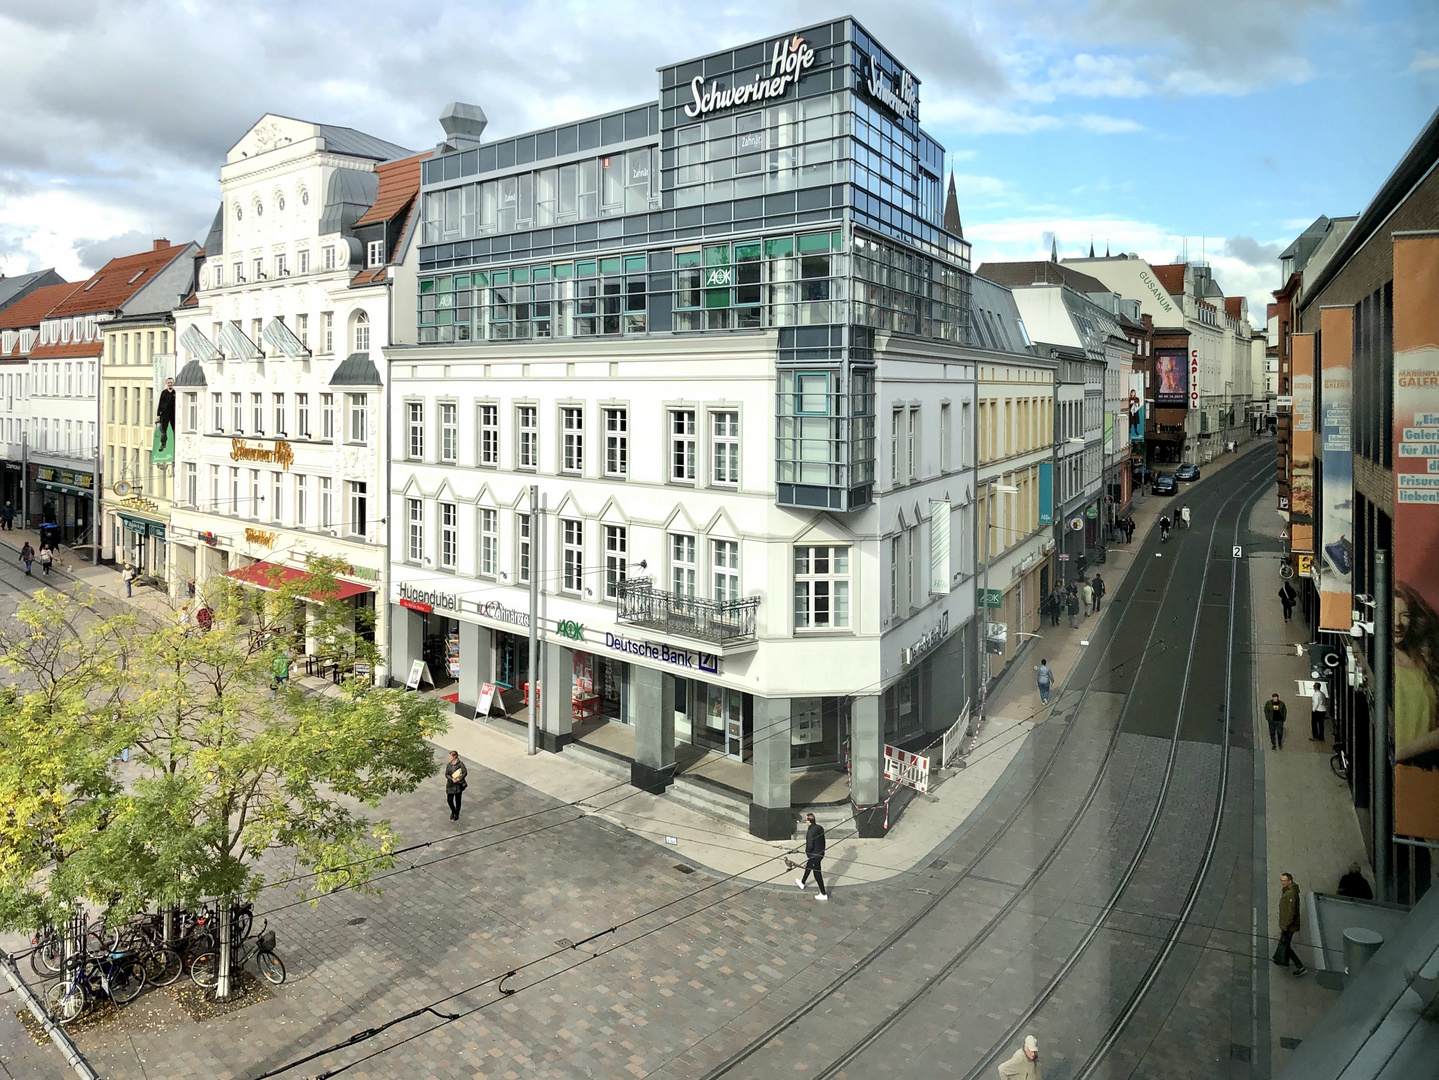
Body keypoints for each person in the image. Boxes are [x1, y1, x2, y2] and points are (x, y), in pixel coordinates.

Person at [1273, 872, 1307, 976]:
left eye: (1284, 880)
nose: (1282, 882)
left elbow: (1291, 912)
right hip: (1287, 924)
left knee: (1286, 945)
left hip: (1289, 926)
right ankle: (1283, 960)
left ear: (1290, 881)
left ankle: (1300, 966)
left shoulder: (1291, 893)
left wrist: (1285, 925)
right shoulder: (1289, 890)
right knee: (1284, 943)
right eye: (1281, 880)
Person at [795, 811, 828, 900]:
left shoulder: (810, 831)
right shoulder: (820, 828)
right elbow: (824, 840)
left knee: (817, 873)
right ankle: (802, 882)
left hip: (814, 855)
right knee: (809, 866)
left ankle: (823, 893)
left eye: (806, 820)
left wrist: (808, 853)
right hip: (820, 853)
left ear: (809, 821)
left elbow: (809, 845)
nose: (805, 821)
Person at [444, 750, 468, 821]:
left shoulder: (460, 764)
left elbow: (464, 772)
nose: (449, 757)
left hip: (458, 785)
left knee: (458, 800)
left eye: (450, 756)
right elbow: (446, 774)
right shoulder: (449, 764)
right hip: (450, 784)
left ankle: (457, 813)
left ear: (454, 757)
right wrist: (451, 778)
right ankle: (453, 811)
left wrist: (458, 779)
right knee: (449, 800)